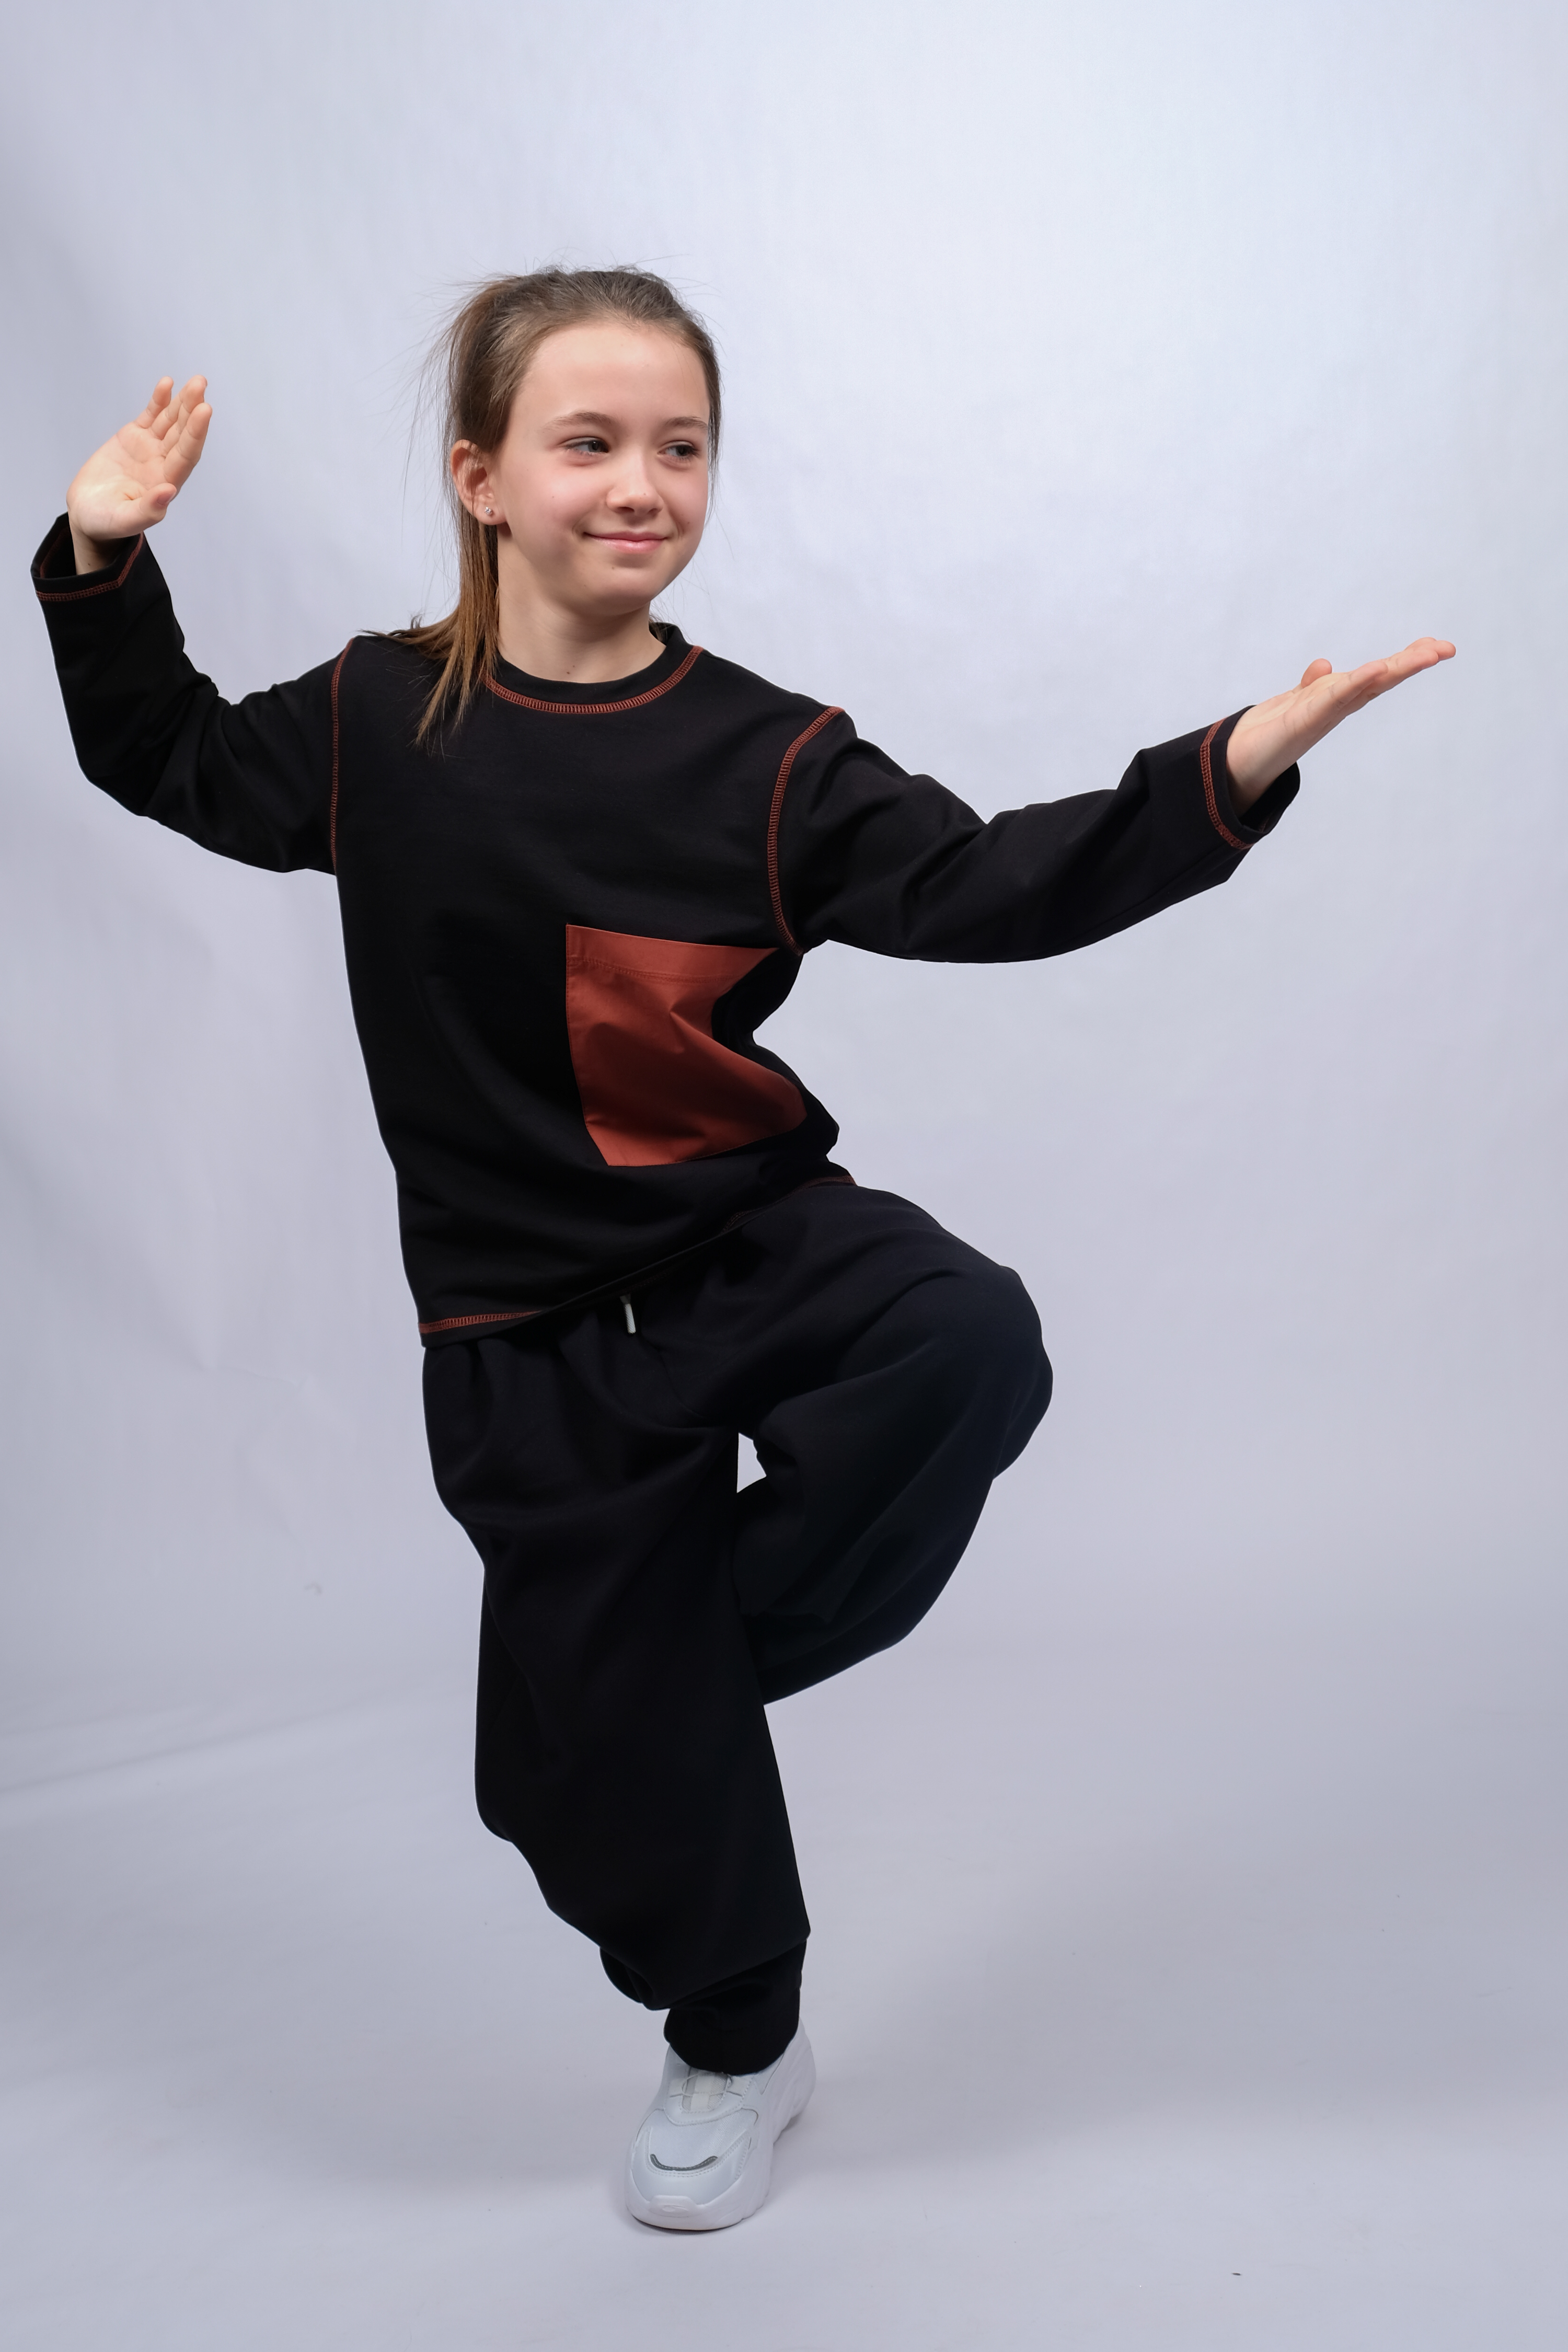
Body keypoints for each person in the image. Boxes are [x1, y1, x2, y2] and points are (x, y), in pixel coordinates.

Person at [32, 268, 1453, 2232]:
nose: (643, 483)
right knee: (601, 1789)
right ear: (482, 476)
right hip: (521, 1325)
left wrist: (1227, 769)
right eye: (591, 442)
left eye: (681, 446)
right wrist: (101, 557)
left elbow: (988, 884)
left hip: (745, 1241)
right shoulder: (373, 720)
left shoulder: (771, 756)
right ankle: (739, 2030)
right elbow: (163, 754)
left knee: (964, 1337)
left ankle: (638, 1689)